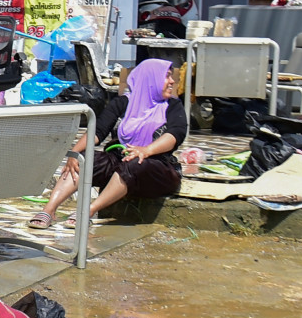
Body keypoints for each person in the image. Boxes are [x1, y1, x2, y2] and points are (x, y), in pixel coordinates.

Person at [29, 56, 185, 227]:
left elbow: (174, 135)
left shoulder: (173, 107)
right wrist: (75, 153)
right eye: (167, 76)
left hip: (156, 168)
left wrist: (145, 150)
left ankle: (88, 211)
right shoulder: (123, 103)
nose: (171, 81)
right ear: (150, 79)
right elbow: (98, 131)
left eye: (171, 76)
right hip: (121, 160)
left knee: (134, 163)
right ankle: (49, 210)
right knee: (82, 160)